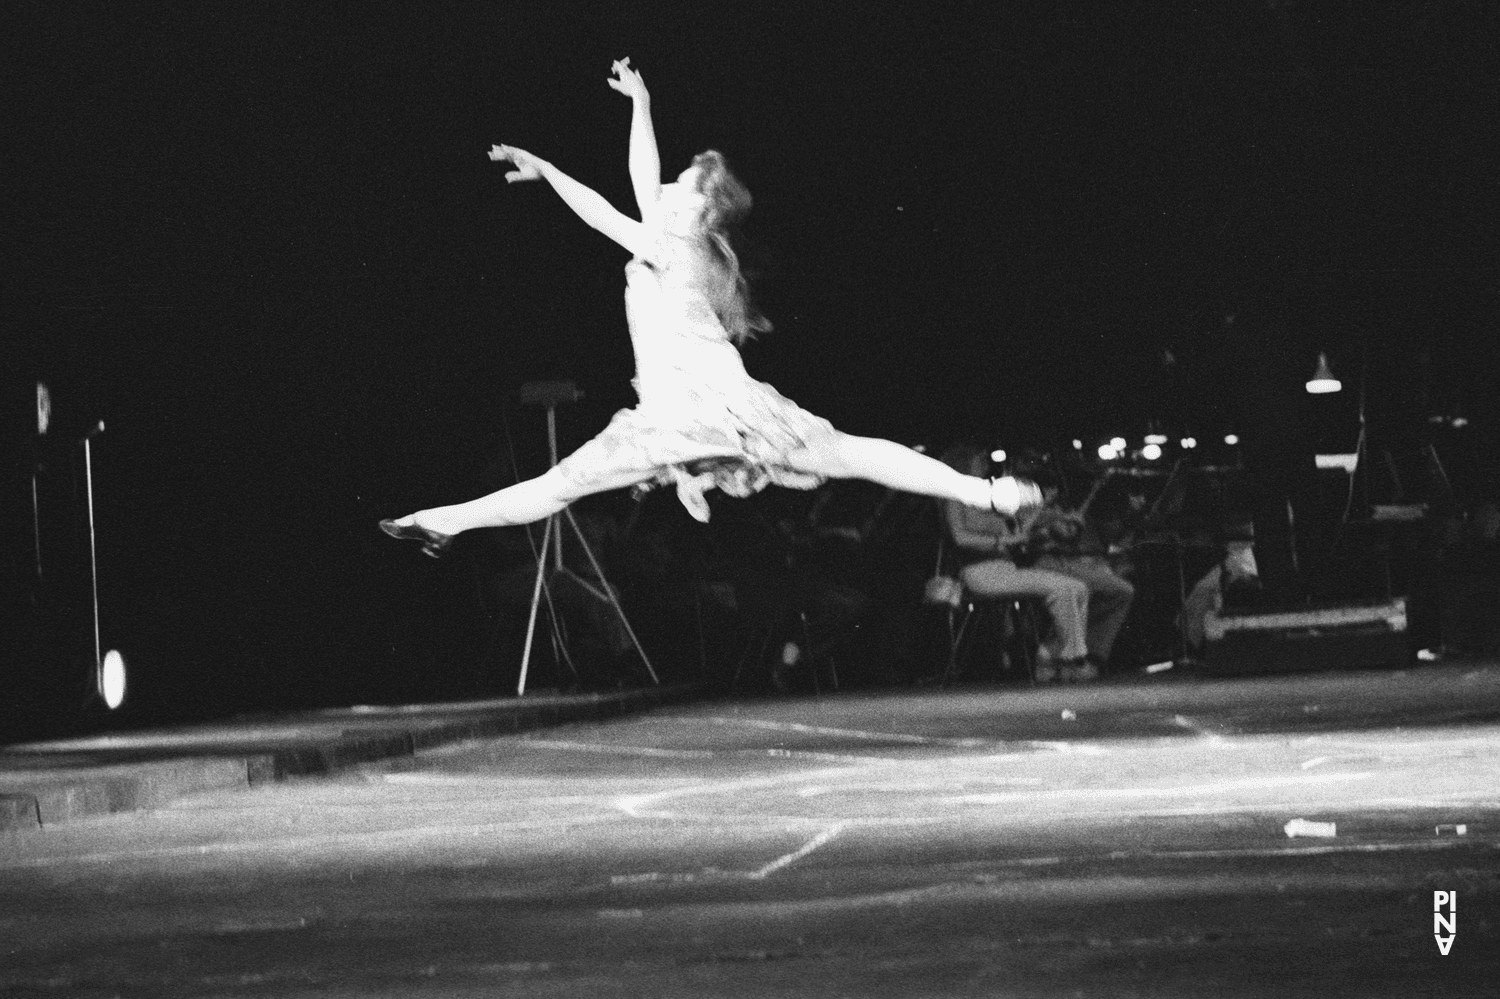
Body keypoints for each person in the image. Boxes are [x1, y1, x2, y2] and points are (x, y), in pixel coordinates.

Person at [381, 59, 1038, 557]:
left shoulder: (682, 246)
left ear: (704, 207)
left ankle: (983, 491)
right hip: (673, 419)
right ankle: (444, 521)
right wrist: (637, 107)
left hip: (713, 415)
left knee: (847, 453)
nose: (666, 187)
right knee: (845, 454)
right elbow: (642, 185)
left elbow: (618, 201)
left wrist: (555, 167)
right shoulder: (673, 240)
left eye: (682, 183)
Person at [941, 445, 1133, 682]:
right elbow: (960, 537)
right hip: (979, 571)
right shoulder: (954, 495)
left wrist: (1045, 515)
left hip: (1006, 567)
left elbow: (1021, 532)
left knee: (1078, 587)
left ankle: (1051, 655)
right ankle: (1072, 659)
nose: (985, 462)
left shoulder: (988, 496)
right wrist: (1003, 541)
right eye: (979, 458)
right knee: (1066, 588)